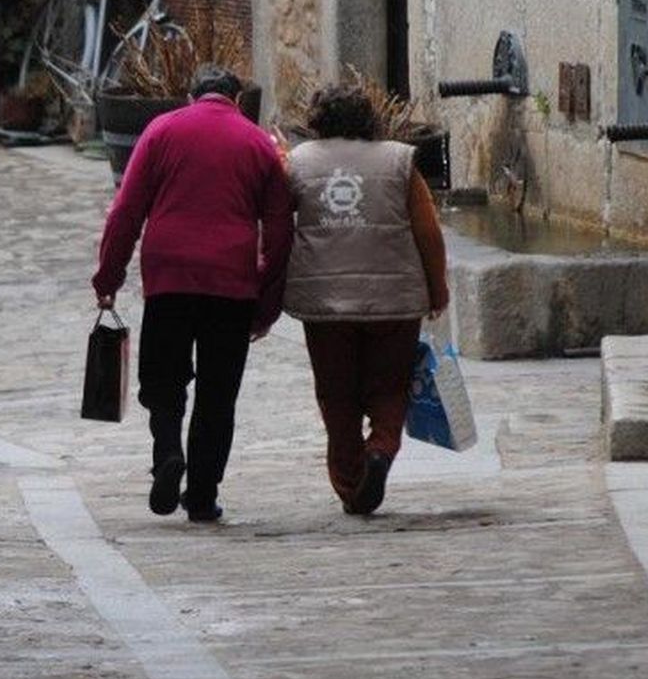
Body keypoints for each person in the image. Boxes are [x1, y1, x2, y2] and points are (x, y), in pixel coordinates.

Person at [93, 65, 293, 522]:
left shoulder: (161, 131)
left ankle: (167, 454)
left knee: (164, 380)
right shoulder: (258, 143)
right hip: (232, 283)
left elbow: (125, 212)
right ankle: (202, 494)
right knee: (218, 394)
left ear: (190, 96)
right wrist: (266, 303)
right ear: (237, 100)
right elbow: (281, 233)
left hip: (169, 276)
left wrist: (108, 279)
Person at [283, 83, 449, 515]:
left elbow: (277, 227)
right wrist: (437, 288)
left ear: (317, 121)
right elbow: (427, 232)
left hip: (325, 303)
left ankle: (350, 483)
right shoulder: (399, 160)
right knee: (390, 387)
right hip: (394, 299)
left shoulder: (298, 163)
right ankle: (380, 449)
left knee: (335, 394)